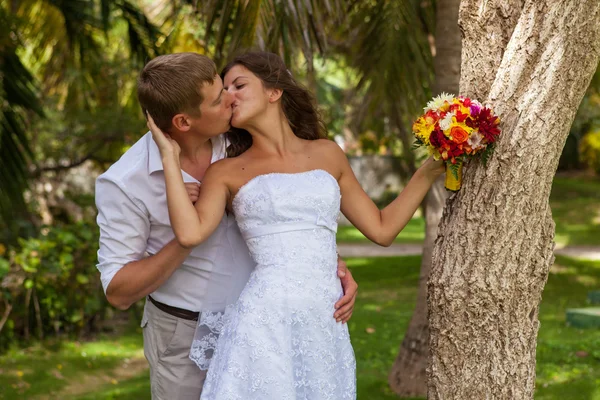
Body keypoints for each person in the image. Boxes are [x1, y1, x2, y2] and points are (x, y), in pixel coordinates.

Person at [147, 51, 445, 399]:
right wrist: (169, 157)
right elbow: (190, 233)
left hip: (324, 321)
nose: (229, 95)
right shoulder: (226, 172)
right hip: (263, 322)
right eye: (224, 90)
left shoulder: (327, 153)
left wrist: (429, 171)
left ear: (274, 92)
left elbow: (382, 229)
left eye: (239, 85)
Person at [95, 52, 358, 400]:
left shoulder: (238, 141)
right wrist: (187, 236)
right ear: (184, 122)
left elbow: (285, 208)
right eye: (219, 99)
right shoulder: (125, 183)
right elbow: (118, 291)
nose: (231, 99)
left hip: (268, 326)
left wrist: (330, 268)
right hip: (183, 335)